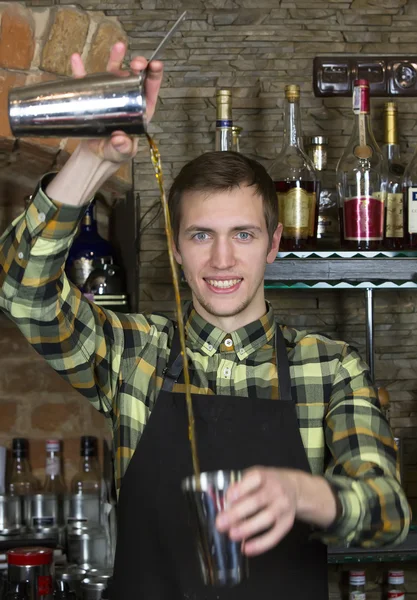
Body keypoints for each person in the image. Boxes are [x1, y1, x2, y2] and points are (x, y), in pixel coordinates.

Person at [0, 43, 410, 600]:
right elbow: (21, 290)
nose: (221, 261)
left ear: (273, 244)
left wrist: (307, 495)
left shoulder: (331, 367)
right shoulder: (131, 354)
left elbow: (388, 510)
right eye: (201, 235)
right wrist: (91, 159)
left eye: (243, 234)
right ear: (175, 247)